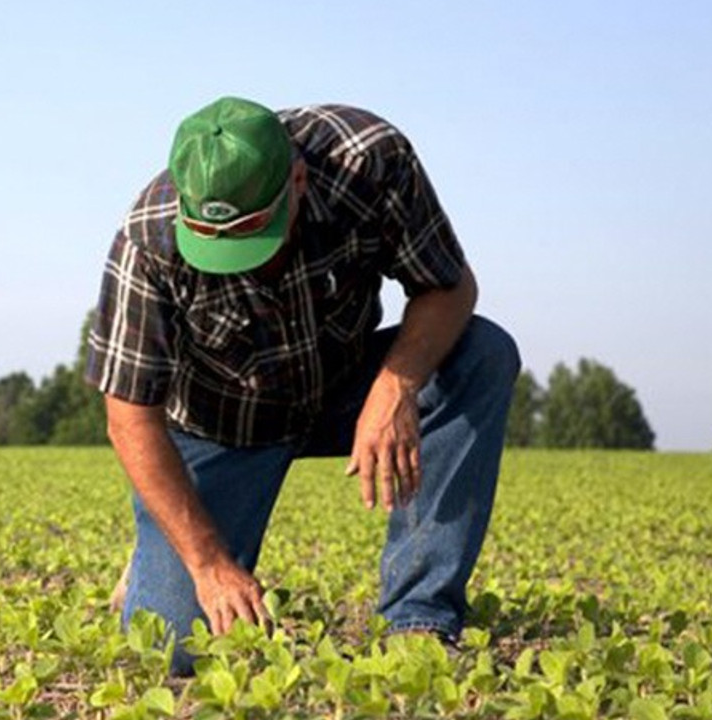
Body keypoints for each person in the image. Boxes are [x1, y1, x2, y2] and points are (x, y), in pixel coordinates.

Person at [85, 96, 520, 676]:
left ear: (298, 178)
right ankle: (168, 550)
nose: (239, 264)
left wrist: (396, 387)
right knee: (176, 647)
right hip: (222, 427)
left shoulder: (369, 162)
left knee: (481, 355)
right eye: (217, 246)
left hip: (344, 388)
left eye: (253, 235)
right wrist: (209, 563)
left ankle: (419, 615)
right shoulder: (148, 239)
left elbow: (450, 288)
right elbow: (129, 418)